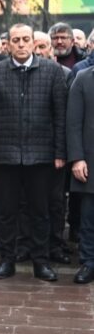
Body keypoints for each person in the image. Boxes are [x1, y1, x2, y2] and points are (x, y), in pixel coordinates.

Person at [0, 23, 68, 282]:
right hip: (5, 154)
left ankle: (41, 261)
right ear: (7, 44)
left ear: (33, 42)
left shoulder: (52, 71)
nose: (20, 44)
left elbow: (60, 116)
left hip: (41, 155)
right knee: (6, 211)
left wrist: (60, 152)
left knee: (40, 211)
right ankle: (7, 260)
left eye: (25, 39)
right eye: (15, 40)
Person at [66, 65, 94, 284]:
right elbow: (73, 123)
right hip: (89, 160)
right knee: (89, 217)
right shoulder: (83, 78)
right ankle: (88, 262)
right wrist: (77, 158)